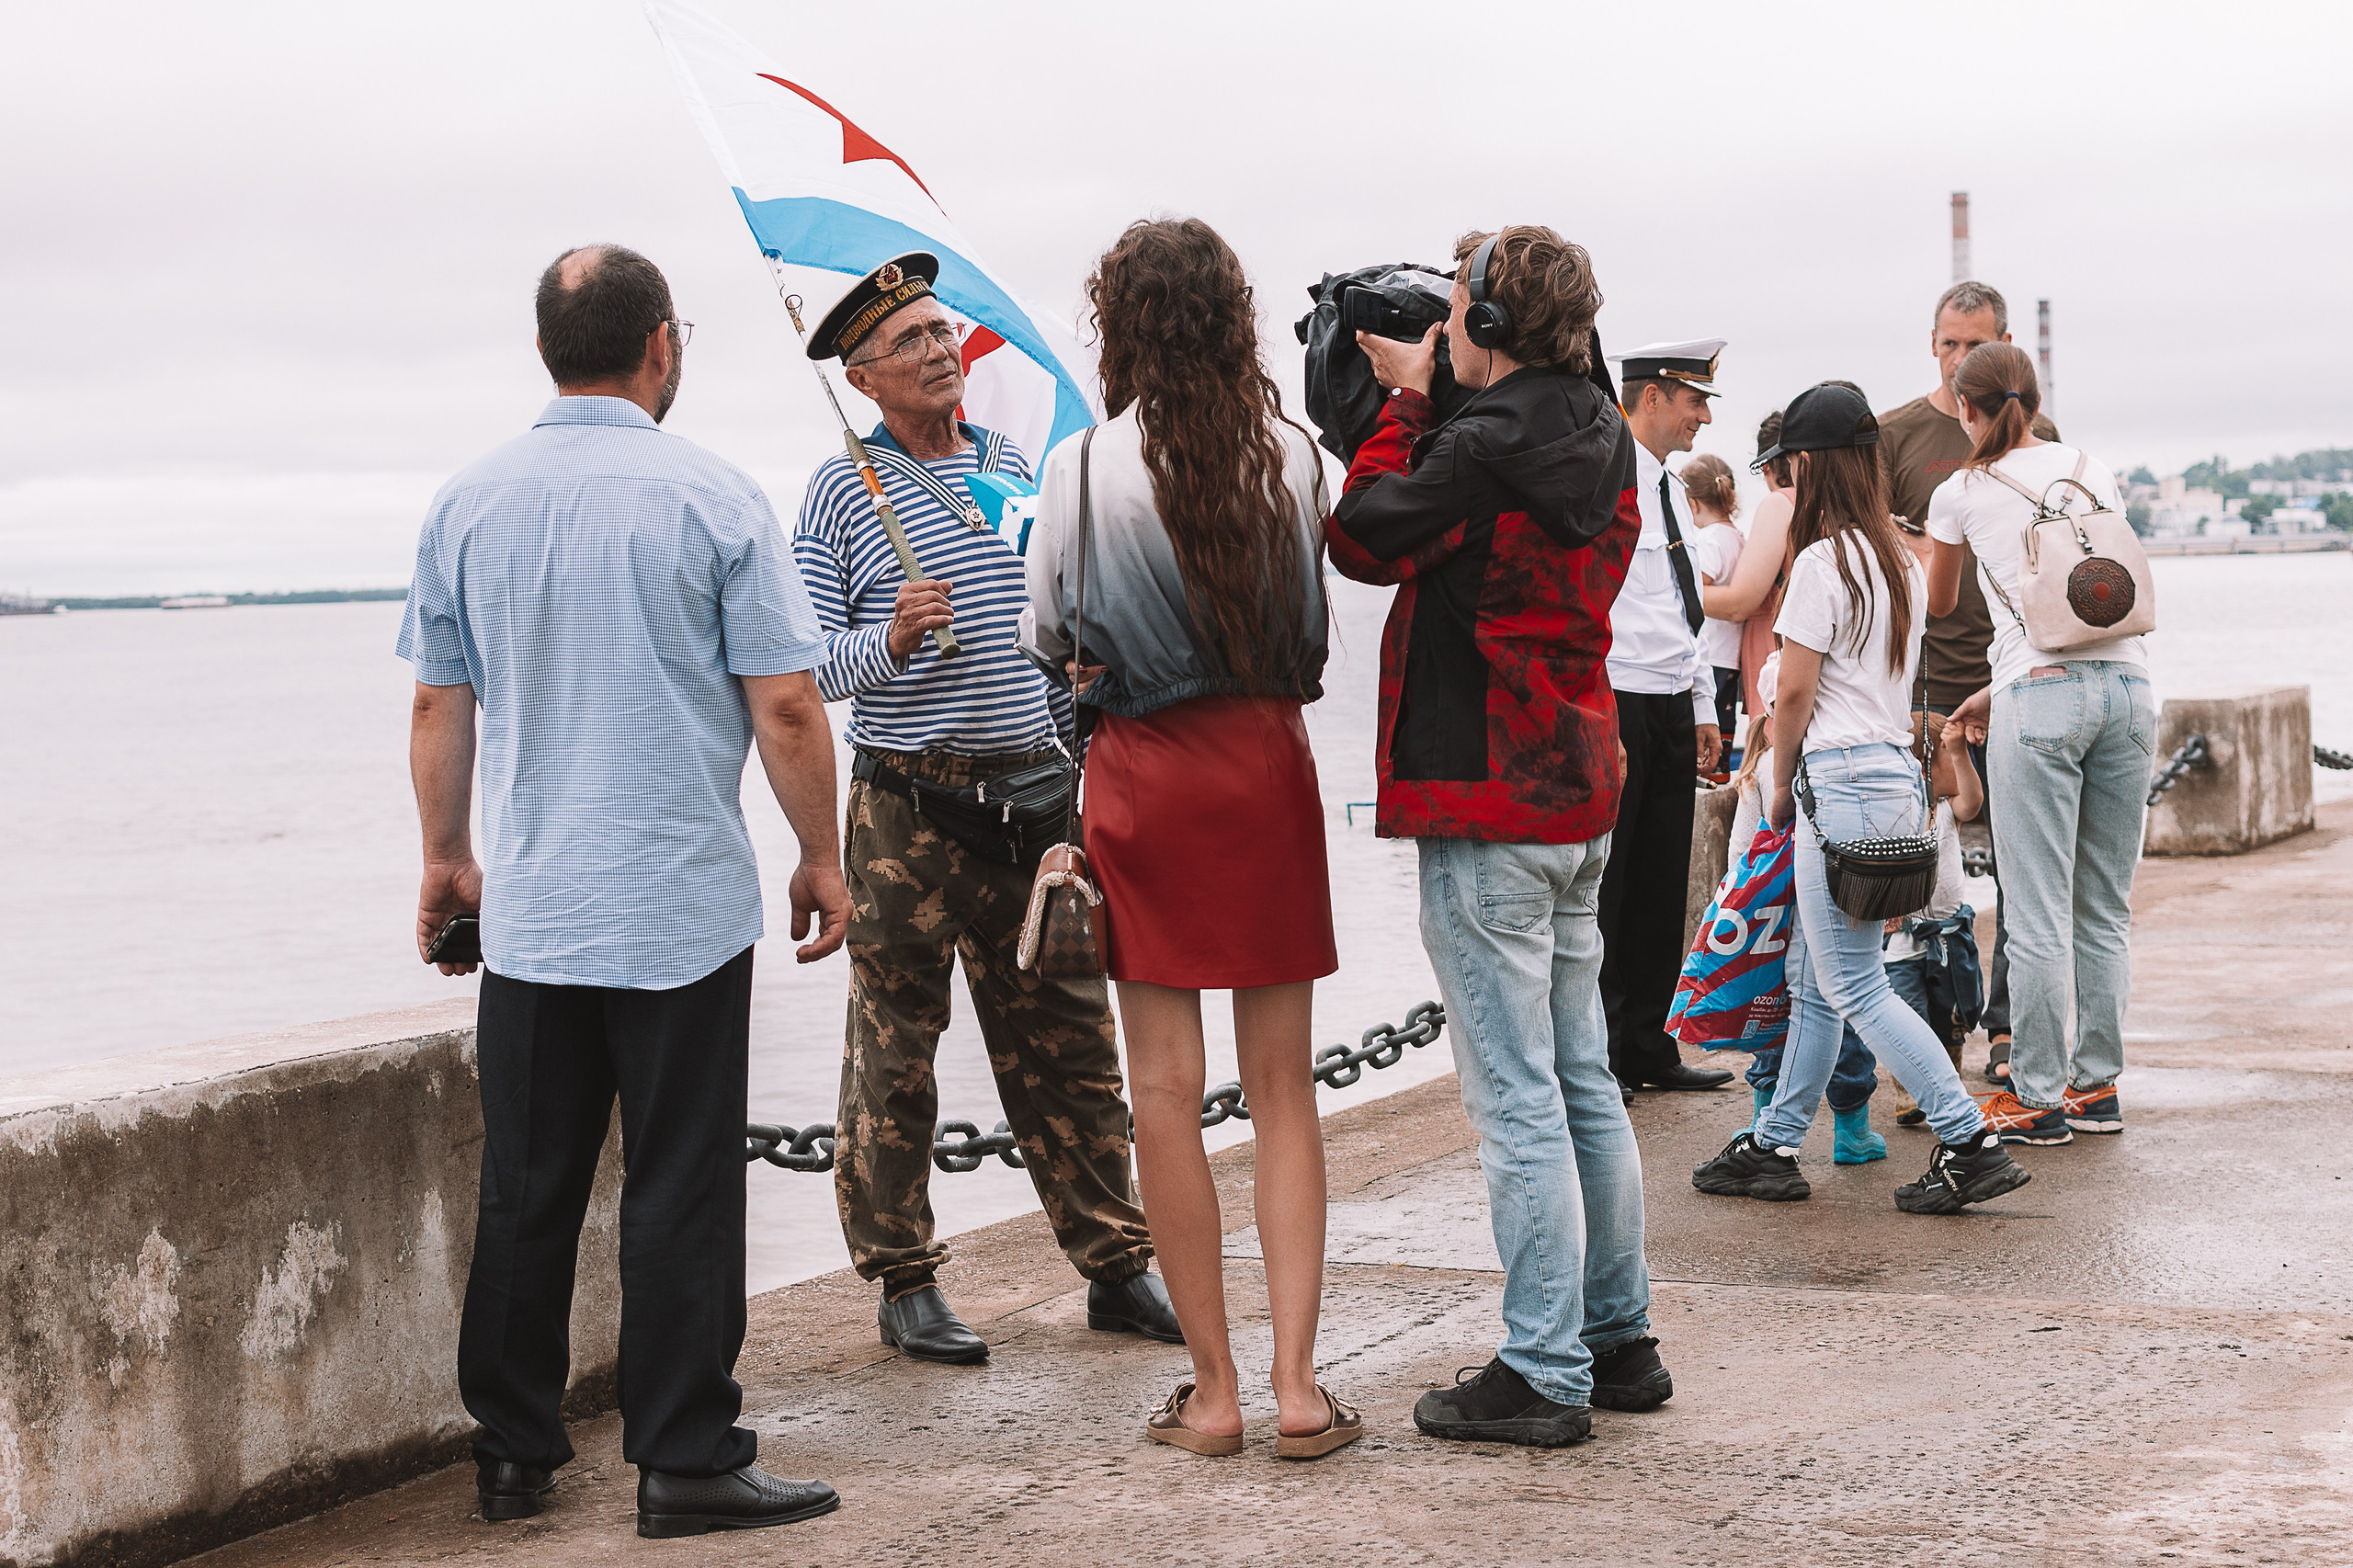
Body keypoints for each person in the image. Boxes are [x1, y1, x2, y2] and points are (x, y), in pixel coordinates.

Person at [403, 244, 848, 1536]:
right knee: (681, 1183)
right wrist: (820, 855)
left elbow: (441, 699)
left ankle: (512, 1450)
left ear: (551, 346)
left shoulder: (466, 501)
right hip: (678, 910)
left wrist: (445, 854)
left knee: (528, 1185)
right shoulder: (711, 496)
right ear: (662, 344)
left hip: (535, 915)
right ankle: (683, 1455)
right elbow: (784, 703)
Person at [790, 253, 1176, 1367]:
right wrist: (891, 638)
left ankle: (1114, 1260)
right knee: (895, 1051)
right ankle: (904, 1277)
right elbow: (806, 665)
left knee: (1069, 1038)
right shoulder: (839, 490)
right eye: (907, 340)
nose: (936, 348)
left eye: (938, 330)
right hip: (909, 807)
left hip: (1035, 797)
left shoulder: (1013, 463)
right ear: (862, 376)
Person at [1332, 224, 1675, 1449]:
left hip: (1483, 791)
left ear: (1482, 326)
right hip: (1579, 777)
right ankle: (1617, 1334)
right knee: (1581, 1078)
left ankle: (1542, 1365)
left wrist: (1400, 401)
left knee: (1517, 1097)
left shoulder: (1479, 439)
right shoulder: (1606, 433)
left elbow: (1361, 531)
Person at [1019, 218, 1349, 1460]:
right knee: (1284, 1093)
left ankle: (1212, 1395)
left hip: (1143, 779)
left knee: (1161, 1093)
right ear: (1232, 317)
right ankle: (1302, 1386)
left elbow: (1044, 631)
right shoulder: (1296, 454)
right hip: (1267, 769)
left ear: (1121, 326)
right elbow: (1314, 627)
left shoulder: (1083, 465)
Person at [1688, 381, 2029, 1214]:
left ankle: (1968, 1138)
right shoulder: (1899, 563)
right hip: (1887, 781)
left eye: (1787, 470)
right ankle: (1772, 1145)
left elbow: (1795, 695)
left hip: (1833, 784)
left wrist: (1775, 787)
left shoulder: (1819, 563)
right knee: (1818, 980)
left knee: (1855, 986)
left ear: (1807, 464)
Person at [1927, 342, 2148, 1146]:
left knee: (2038, 912)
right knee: (2103, 909)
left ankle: (2036, 1097)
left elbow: (1944, 601)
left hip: (2041, 697)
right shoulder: (2092, 463)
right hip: (2128, 690)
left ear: (1966, 407)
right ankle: (2097, 1090)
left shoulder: (1960, 490)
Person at [1879, 282, 2060, 1085]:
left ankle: (2012, 1032)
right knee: (1928, 889)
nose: (1960, 364)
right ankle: (1935, 1047)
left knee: (2027, 878)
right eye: (1949, 346)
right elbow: (1867, 546)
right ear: (1931, 343)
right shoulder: (1894, 436)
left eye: (1975, 348)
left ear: (2005, 350)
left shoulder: (2039, 438)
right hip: (1928, 693)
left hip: (2022, 682)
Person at [1600, 340, 1735, 1096]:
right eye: (1695, 400)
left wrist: (1701, 704)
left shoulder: (1671, 490)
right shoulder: (1606, 472)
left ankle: (1649, 1048)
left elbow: (1677, 609)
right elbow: (1602, 601)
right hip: (1615, 696)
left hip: (1667, 700)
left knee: (1657, 880)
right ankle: (1603, 1055)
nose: (1704, 417)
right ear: (1651, 396)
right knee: (1611, 886)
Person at [1719, 652, 1885, 1165]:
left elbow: (1739, 862)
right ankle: (1852, 1133)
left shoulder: (1759, 775)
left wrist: (1731, 910)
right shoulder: (1837, 767)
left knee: (1772, 1021)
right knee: (1845, 1017)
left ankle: (1763, 1120)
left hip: (1772, 925)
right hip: (1835, 914)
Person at [1881, 712, 1986, 1127]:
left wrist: (1959, 750)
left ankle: (1948, 1088)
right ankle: (1910, 1091)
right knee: (1907, 1017)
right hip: (1901, 943)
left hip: (1946, 936)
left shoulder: (1946, 811)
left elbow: (1973, 801)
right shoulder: (1889, 812)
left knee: (1950, 1017)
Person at [1682, 451, 1746, 741]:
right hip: (1731, 656)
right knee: (1723, 726)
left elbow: (1694, 592)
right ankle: (1718, 777)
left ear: (1692, 503)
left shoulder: (1708, 540)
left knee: (1702, 730)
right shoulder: (1738, 537)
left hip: (1711, 657)